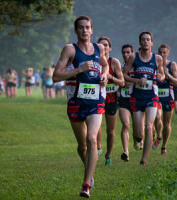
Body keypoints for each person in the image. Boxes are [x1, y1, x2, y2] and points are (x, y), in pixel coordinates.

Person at [52, 15, 108, 198]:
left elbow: (105, 66)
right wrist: (79, 69)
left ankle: (86, 185)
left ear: (92, 30)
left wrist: (105, 75)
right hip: (76, 102)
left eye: (87, 27)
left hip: (95, 102)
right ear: (76, 30)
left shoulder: (99, 48)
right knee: (82, 146)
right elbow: (56, 76)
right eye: (81, 28)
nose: (84, 30)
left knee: (92, 139)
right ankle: (88, 170)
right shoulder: (70, 49)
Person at [123, 31, 165, 166]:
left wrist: (160, 77)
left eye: (148, 39)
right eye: (143, 40)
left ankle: (143, 160)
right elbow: (124, 75)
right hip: (136, 97)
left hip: (151, 97)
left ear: (152, 42)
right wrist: (136, 80)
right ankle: (137, 139)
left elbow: (162, 75)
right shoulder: (134, 57)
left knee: (149, 126)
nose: (146, 41)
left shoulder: (158, 58)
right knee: (139, 133)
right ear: (140, 42)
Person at [96, 36, 124, 166]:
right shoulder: (94, 61)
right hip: (96, 98)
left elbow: (122, 82)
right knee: (96, 126)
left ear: (110, 48)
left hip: (111, 98)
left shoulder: (114, 62)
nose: (104, 47)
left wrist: (110, 77)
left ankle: (108, 156)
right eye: (101, 44)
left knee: (110, 130)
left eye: (106, 45)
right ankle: (98, 148)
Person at [152, 44, 177, 155]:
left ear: (168, 53)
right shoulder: (154, 64)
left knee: (167, 123)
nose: (162, 54)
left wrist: (167, 74)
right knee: (157, 116)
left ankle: (164, 146)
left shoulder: (172, 65)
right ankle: (158, 135)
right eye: (160, 52)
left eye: (164, 52)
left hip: (168, 96)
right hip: (156, 95)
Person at [118, 44, 134, 161]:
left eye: (128, 52)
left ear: (132, 53)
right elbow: (116, 82)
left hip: (137, 100)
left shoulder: (138, 66)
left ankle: (139, 139)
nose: (126, 55)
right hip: (124, 100)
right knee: (126, 124)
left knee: (140, 130)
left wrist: (133, 82)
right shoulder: (120, 67)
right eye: (124, 52)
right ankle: (126, 152)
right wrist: (121, 84)